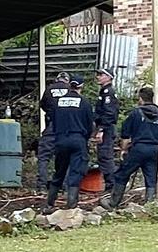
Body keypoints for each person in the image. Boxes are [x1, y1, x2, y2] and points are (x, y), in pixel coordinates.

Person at [100, 87, 158, 209]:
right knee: (151, 178)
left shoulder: (136, 113)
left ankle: (113, 203)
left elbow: (126, 135)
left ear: (141, 99)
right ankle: (150, 205)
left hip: (138, 149)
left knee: (122, 174)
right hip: (154, 149)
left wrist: (123, 150)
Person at [43, 75, 95, 213]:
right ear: (81, 86)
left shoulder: (57, 102)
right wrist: (86, 138)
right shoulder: (84, 102)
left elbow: (52, 119)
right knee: (75, 172)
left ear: (69, 85)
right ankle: (71, 203)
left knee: (59, 172)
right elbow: (90, 125)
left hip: (60, 139)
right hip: (78, 139)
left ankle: (49, 204)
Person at [36, 71, 71, 192]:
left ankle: (41, 185)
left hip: (52, 126)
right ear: (67, 80)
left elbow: (43, 105)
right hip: (66, 128)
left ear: (57, 80)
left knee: (44, 157)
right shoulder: (70, 90)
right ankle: (64, 186)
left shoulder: (49, 89)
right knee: (65, 157)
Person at [94, 68, 120, 192]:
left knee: (105, 156)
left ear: (109, 77)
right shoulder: (104, 92)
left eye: (101, 75)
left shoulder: (108, 92)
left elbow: (109, 113)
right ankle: (110, 184)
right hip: (105, 127)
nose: (98, 77)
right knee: (103, 156)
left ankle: (112, 185)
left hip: (107, 129)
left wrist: (102, 129)